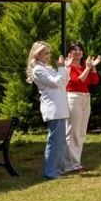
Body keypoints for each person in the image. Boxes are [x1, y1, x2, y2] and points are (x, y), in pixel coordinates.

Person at [27, 41, 72, 180]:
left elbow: (64, 81)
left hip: (60, 107)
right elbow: (56, 82)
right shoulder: (38, 70)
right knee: (54, 141)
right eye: (45, 53)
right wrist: (61, 68)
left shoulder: (47, 68)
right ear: (37, 54)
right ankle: (50, 172)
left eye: (48, 53)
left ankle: (56, 170)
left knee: (60, 141)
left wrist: (64, 68)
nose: (48, 56)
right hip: (53, 108)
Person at [64, 42, 101, 173]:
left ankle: (75, 163)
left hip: (85, 97)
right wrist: (88, 68)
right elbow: (76, 81)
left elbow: (94, 81)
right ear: (69, 53)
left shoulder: (83, 66)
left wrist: (93, 67)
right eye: (74, 50)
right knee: (73, 131)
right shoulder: (67, 67)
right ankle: (69, 165)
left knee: (80, 132)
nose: (78, 52)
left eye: (80, 50)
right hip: (73, 97)